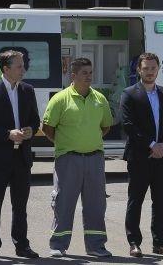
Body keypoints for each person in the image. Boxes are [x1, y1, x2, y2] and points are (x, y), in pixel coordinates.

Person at [41, 58, 113, 258]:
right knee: (63, 203)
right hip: (68, 159)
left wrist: (88, 141)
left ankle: (96, 246)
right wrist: (67, 143)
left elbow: (106, 126)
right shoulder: (60, 99)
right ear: (73, 75)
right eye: (84, 73)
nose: (89, 76)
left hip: (94, 159)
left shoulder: (100, 99)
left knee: (96, 204)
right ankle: (58, 245)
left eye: (90, 72)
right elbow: (47, 128)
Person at [0, 51, 40, 259]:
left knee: (20, 205)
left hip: (22, 157)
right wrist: (7, 134)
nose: (23, 70)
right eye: (19, 66)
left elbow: (35, 120)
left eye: (23, 65)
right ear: (6, 69)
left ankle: (22, 245)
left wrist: (30, 130)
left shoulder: (27, 90)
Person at [120, 53, 163, 258]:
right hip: (139, 157)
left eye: (153, 68)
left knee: (160, 202)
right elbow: (128, 125)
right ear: (139, 69)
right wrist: (152, 145)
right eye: (146, 68)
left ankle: (160, 243)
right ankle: (134, 243)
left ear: (158, 69)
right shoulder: (129, 94)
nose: (150, 72)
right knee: (135, 201)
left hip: (162, 157)